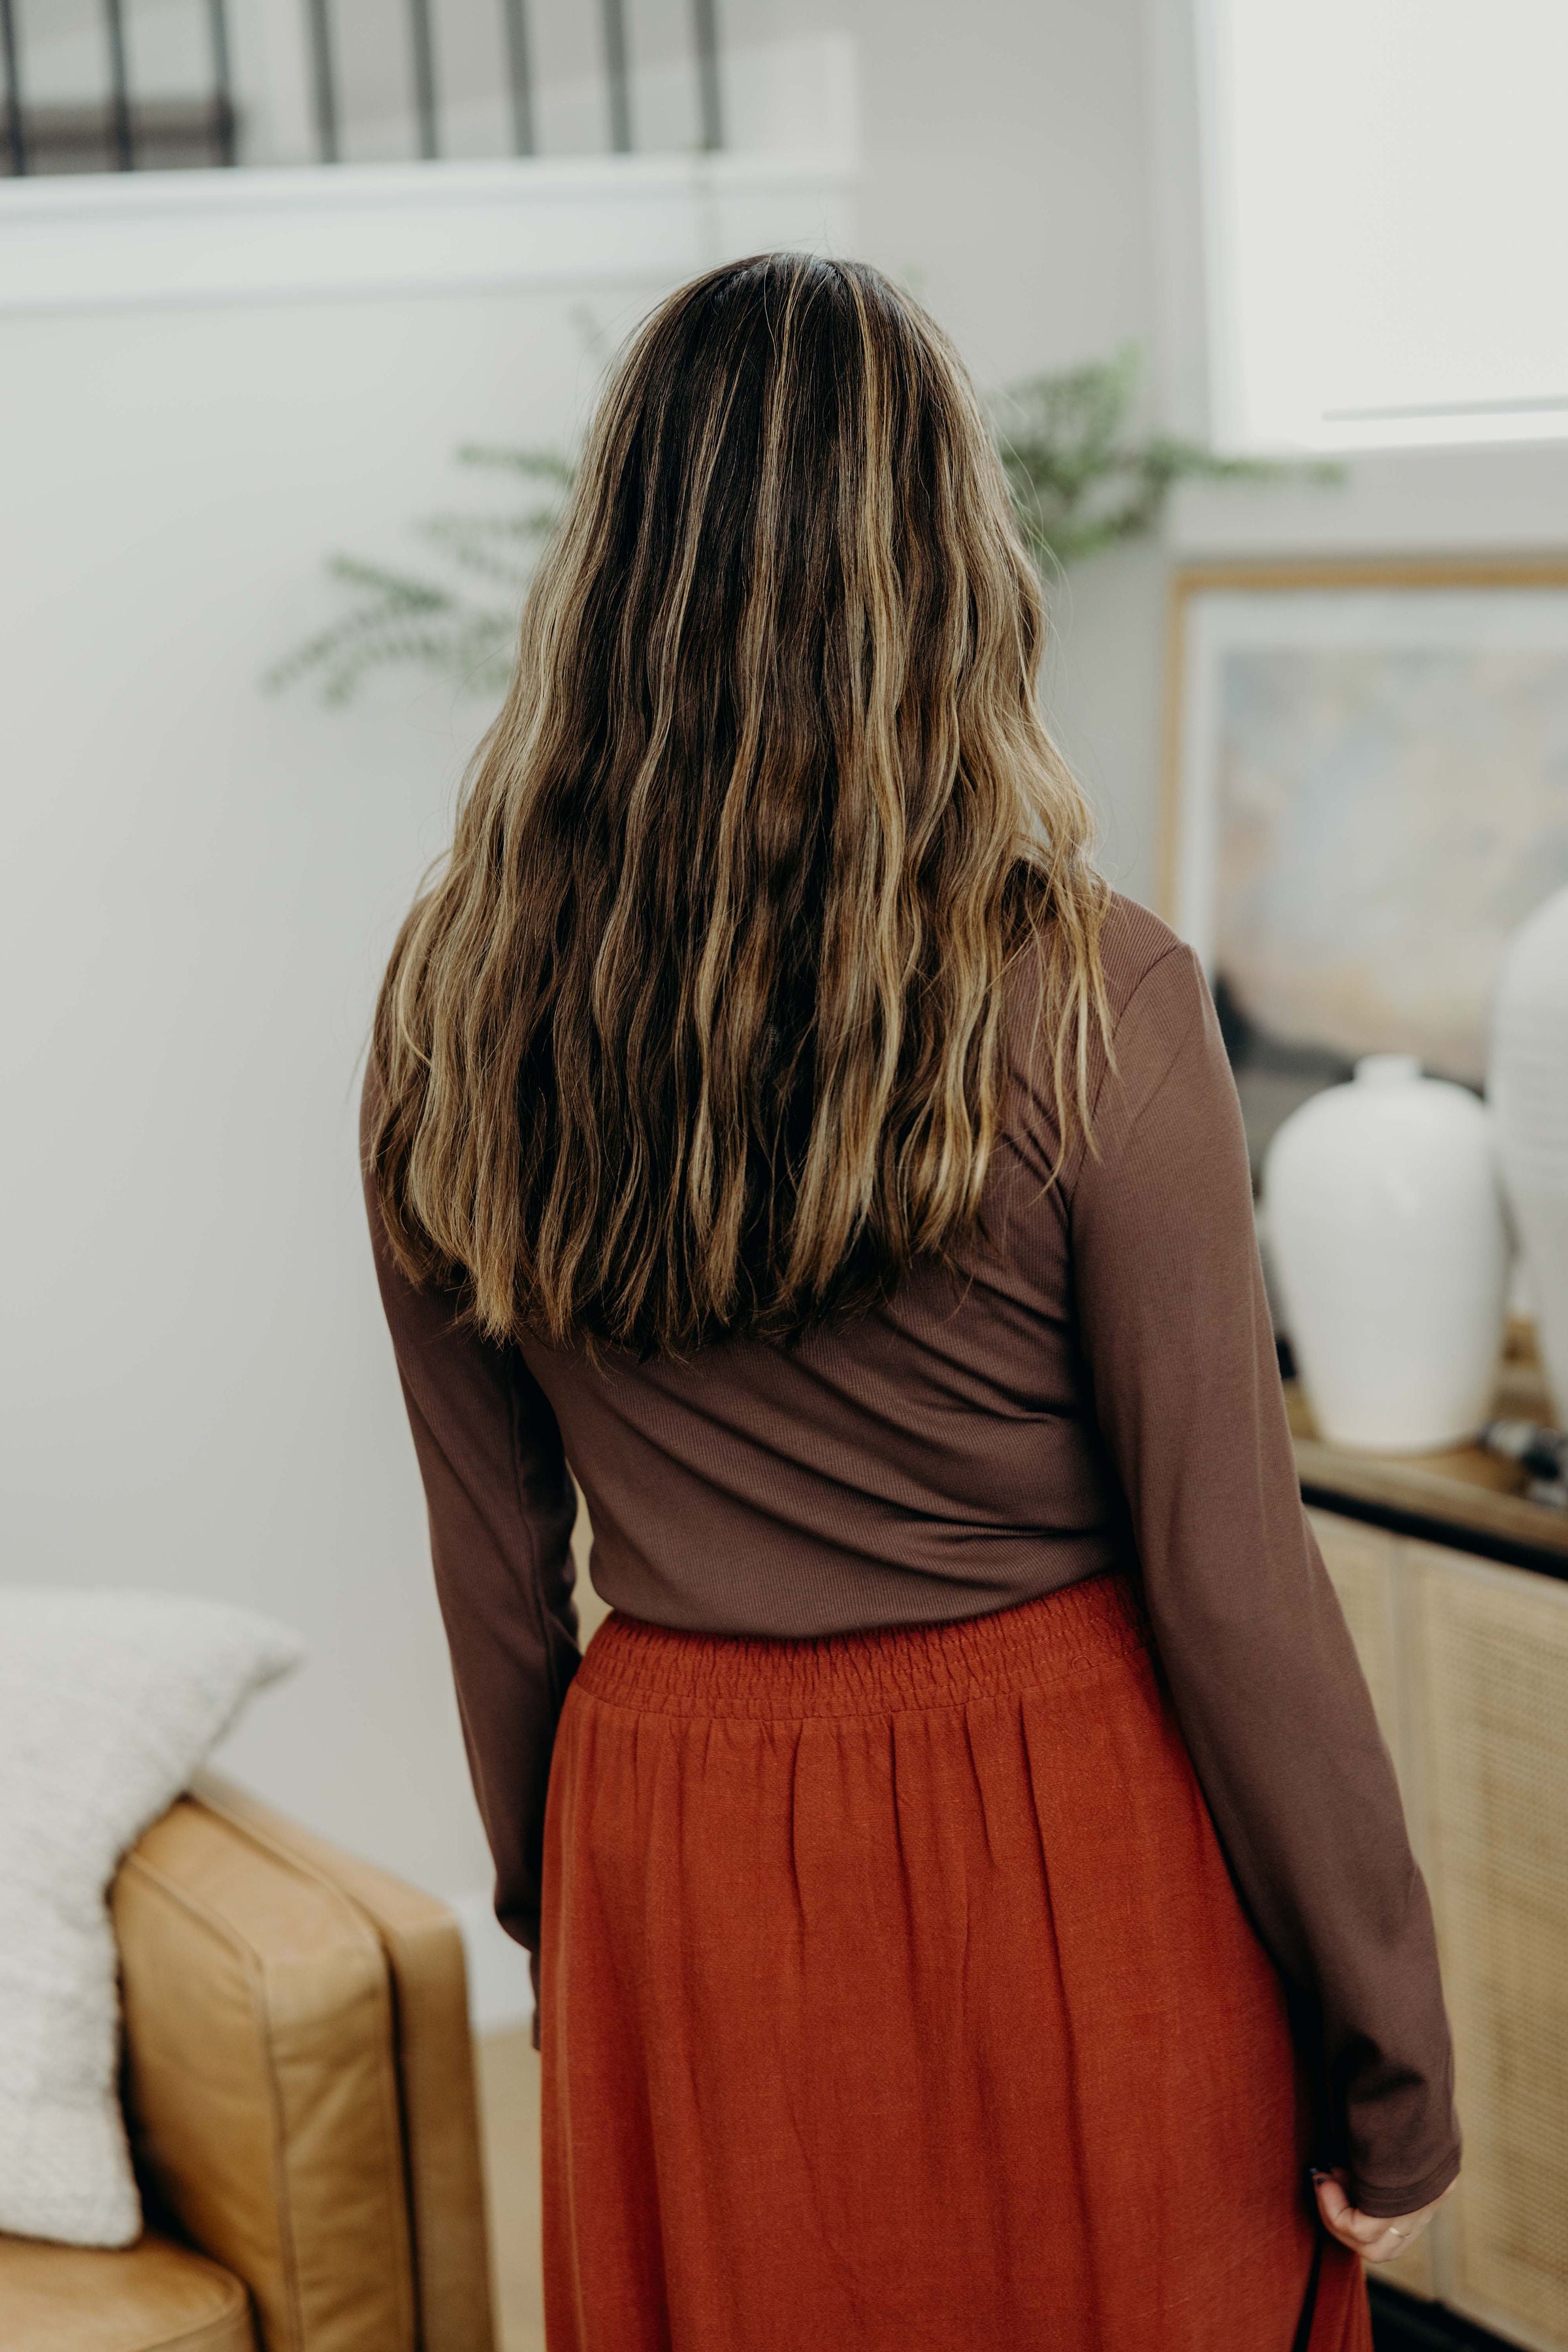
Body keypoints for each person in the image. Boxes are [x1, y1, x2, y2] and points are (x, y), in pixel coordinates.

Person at [361, 253, 1458, 2351]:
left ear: (610, 577)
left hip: (671, 1836)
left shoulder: (450, 1007)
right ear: (957, 576)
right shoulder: (1090, 999)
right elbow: (1230, 1578)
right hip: (1067, 1832)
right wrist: (1387, 2045)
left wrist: (565, 1906)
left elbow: (498, 1569)